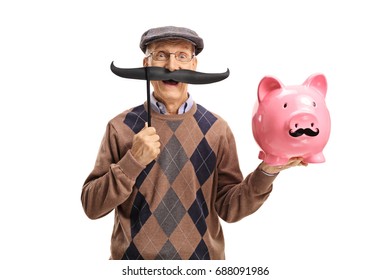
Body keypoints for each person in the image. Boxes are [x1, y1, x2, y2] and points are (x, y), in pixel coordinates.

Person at [81, 26, 306, 260]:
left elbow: (230, 208)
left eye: (182, 56)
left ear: (194, 65)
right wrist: (132, 161)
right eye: (161, 55)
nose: (171, 66)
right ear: (146, 64)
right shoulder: (120, 127)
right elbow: (92, 206)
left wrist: (267, 172)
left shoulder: (217, 129)